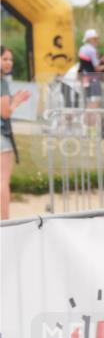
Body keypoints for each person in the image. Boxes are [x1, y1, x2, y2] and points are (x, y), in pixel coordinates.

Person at [1, 46, 31, 220]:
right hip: (2, 137)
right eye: (4, 59)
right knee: (3, 180)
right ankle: (4, 221)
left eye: (10, 59)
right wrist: (17, 101)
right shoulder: (2, 83)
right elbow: (5, 112)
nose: (8, 63)